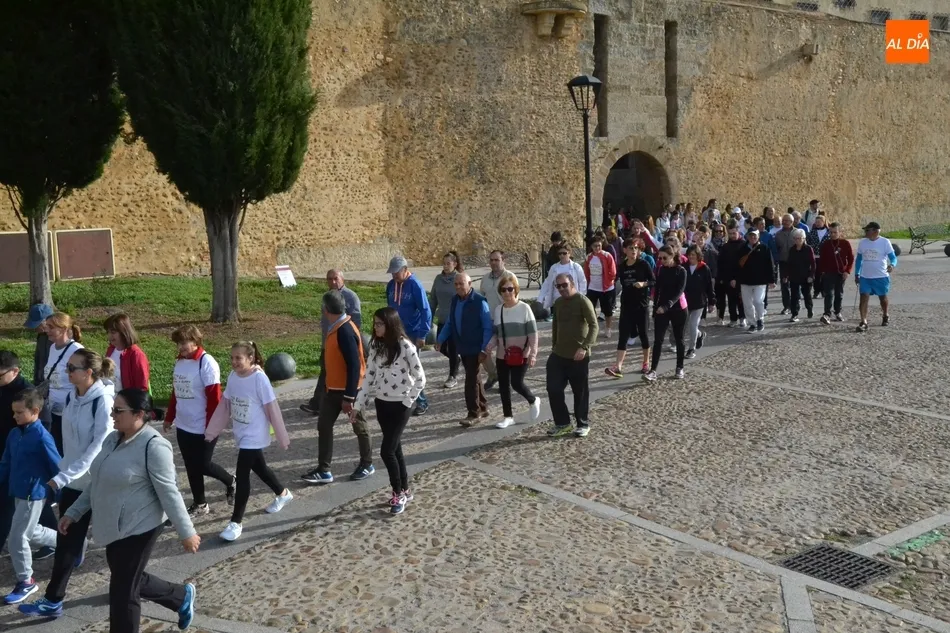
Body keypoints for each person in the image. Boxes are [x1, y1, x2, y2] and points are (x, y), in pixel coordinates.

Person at [61, 389, 199, 633]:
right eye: (113, 409)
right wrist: (74, 512)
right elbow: (97, 482)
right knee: (130, 576)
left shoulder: (154, 446)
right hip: (113, 525)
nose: (112, 414)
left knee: (123, 591)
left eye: (118, 410)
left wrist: (186, 532)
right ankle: (179, 597)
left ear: (140, 414)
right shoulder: (112, 439)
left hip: (141, 526)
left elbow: (170, 492)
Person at [19, 349, 115, 619]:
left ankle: (159, 591)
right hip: (74, 482)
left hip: (99, 482)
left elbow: (97, 448)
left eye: (72, 368)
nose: (67, 371)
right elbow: (70, 442)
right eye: (68, 367)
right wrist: (62, 469)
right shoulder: (74, 396)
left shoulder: (103, 402)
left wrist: (64, 475)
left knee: (117, 543)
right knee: (66, 540)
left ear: (89, 373)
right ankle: (52, 600)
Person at [206, 342, 292, 542]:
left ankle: (235, 523)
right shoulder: (233, 377)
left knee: (242, 473)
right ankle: (283, 492)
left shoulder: (259, 379)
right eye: (232, 358)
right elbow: (224, 406)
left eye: (239, 358)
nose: (234, 362)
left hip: (255, 434)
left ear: (250, 358)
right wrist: (212, 431)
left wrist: (282, 436)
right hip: (241, 432)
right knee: (260, 467)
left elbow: (272, 409)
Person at [352, 308, 426, 514]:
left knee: (387, 451)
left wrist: (408, 401)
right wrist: (358, 406)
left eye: (379, 324)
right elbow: (369, 378)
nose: (375, 328)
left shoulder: (405, 346)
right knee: (396, 448)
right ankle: (405, 489)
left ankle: (397, 494)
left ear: (390, 324)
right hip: (382, 403)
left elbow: (421, 378)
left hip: (401, 405)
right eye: (374, 324)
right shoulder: (376, 347)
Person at [301, 291, 373, 485]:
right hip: (332, 390)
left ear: (325, 310)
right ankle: (324, 469)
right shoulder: (338, 327)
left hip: (349, 391)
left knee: (360, 427)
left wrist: (350, 397)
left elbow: (354, 365)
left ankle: (367, 463)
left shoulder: (345, 330)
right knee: (324, 426)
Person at [163, 325, 235, 517]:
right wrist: (169, 417)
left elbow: (214, 399)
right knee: (190, 465)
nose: (180, 346)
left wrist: (212, 427)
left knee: (203, 464)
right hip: (184, 424)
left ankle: (231, 481)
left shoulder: (206, 362)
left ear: (196, 341)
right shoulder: (180, 363)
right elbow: (176, 393)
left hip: (203, 425)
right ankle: (200, 503)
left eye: (184, 342)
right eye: (178, 343)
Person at [0, 389, 60, 605]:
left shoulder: (42, 437)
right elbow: (5, 462)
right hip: (17, 491)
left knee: (17, 538)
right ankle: (71, 543)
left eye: (19, 412)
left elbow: (57, 465)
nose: (14, 416)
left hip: (33, 494)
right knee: (31, 532)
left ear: (35, 411)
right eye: (13, 412)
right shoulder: (14, 434)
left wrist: (62, 494)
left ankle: (26, 581)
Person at [0, 351, 57, 561]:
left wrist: (57, 487)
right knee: (22, 506)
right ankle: (60, 539)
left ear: (15, 371)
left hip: (25, 460)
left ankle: (61, 541)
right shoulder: (3, 389)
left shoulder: (28, 394)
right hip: (9, 451)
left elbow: (45, 425)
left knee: (20, 508)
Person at [301, 269, 362, 415]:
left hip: (343, 342)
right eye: (329, 279)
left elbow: (356, 321)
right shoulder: (327, 297)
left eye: (336, 279)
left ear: (342, 279)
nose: (333, 282)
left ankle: (349, 400)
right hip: (328, 343)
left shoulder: (351, 297)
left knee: (346, 372)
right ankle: (319, 403)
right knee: (325, 373)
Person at [486, 272, 541, 429]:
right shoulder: (499, 310)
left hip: (521, 354)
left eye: (510, 289)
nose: (507, 293)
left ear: (516, 290)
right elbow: (498, 333)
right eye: (503, 290)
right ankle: (508, 416)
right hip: (503, 354)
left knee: (516, 382)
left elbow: (533, 334)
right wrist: (490, 344)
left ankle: (532, 399)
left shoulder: (525, 308)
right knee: (503, 386)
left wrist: (533, 354)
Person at [546, 273, 598, 438]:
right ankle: (562, 423)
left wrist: (584, 347)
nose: (561, 289)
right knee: (553, 388)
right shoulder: (559, 303)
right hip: (559, 354)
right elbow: (556, 325)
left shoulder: (582, 301)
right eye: (558, 286)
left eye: (564, 285)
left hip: (578, 356)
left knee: (580, 392)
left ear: (572, 283)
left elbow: (594, 325)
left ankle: (582, 424)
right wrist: (554, 345)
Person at [437, 273, 492, 426]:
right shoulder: (455, 300)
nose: (458, 287)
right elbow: (450, 322)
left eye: (461, 284)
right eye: (456, 284)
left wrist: (484, 349)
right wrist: (440, 339)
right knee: (474, 376)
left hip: (476, 347)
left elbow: (488, 327)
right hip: (462, 345)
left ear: (470, 284)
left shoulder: (480, 302)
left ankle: (473, 413)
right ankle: (483, 407)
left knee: (470, 380)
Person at [386, 256, 432, 415]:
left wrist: (422, 334)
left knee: (413, 369)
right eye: (391, 273)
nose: (393, 276)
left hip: (412, 333)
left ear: (405, 270)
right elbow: (390, 308)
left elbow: (426, 310)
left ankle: (422, 402)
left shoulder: (415, 286)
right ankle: (399, 396)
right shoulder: (391, 285)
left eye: (396, 272)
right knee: (396, 366)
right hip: (395, 332)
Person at [606, 238, 654, 377]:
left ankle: (646, 363)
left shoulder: (643, 264)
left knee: (643, 334)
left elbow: (653, 281)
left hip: (641, 305)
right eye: (631, 248)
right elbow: (616, 281)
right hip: (626, 305)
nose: (633, 251)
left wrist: (643, 284)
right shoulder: (622, 266)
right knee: (623, 335)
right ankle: (618, 366)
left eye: (635, 248)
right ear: (625, 250)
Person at [40, 312, 84, 456]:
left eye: (51, 327)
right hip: (53, 410)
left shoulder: (77, 350)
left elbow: (83, 381)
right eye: (47, 327)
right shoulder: (52, 348)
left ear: (64, 328)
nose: (47, 330)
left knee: (67, 450)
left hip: (70, 411)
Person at [643, 246, 687, 382]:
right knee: (658, 340)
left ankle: (679, 367)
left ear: (672, 256)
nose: (661, 260)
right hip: (662, 309)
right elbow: (658, 289)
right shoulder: (661, 270)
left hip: (678, 308)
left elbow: (679, 292)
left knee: (679, 339)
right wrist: (655, 307)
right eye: (659, 258)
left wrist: (667, 305)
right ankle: (653, 370)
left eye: (664, 258)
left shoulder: (681, 271)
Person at [478, 251, 512, 390]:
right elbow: (482, 298)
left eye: (496, 260)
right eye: (491, 260)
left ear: (503, 260)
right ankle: (493, 375)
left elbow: (515, 299)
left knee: (505, 353)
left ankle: (507, 382)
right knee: (484, 350)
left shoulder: (510, 277)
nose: (493, 263)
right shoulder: (485, 278)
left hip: (506, 320)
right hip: (489, 320)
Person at [854, 222, 897, 332]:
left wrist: (892, 265)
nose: (866, 232)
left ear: (876, 231)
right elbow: (859, 259)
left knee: (883, 298)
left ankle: (885, 314)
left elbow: (893, 257)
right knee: (864, 298)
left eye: (868, 230)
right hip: (865, 276)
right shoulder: (862, 243)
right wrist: (857, 273)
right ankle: (863, 321)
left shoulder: (885, 242)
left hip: (881, 276)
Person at [430, 252, 463, 389]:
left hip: (455, 320)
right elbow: (433, 299)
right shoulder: (438, 279)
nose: (445, 266)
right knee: (441, 347)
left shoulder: (459, 278)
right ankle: (457, 360)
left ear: (455, 264)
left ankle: (452, 376)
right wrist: (430, 317)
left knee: (454, 348)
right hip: (443, 319)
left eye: (448, 263)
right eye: (443, 263)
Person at [737, 230, 777, 333]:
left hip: (760, 281)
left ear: (758, 236)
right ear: (747, 237)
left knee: (758, 301)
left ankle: (760, 319)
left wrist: (772, 280)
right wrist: (736, 279)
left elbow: (770, 264)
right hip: (745, 281)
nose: (753, 238)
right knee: (747, 304)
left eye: (754, 236)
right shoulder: (742, 249)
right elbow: (737, 265)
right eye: (751, 236)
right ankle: (752, 323)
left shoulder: (764, 248)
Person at [818, 222, 854, 324]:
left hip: (841, 273)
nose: (833, 234)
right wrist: (822, 272)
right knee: (829, 294)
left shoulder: (845, 243)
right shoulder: (825, 244)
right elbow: (822, 259)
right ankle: (827, 314)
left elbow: (851, 259)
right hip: (829, 273)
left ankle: (838, 312)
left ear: (840, 232)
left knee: (839, 294)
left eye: (835, 232)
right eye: (831, 232)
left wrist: (847, 271)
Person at [104, 313, 150, 392]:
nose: (109, 336)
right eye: (108, 332)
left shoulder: (136, 354)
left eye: (113, 332)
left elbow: (141, 385)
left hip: (127, 401)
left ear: (124, 332)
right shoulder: (111, 350)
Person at [684, 245, 715, 359]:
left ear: (698, 256)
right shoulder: (684, 267)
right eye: (690, 255)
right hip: (686, 302)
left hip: (699, 302)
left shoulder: (704, 268)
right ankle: (700, 335)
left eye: (693, 255)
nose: (691, 257)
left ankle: (691, 349)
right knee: (686, 326)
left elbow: (709, 287)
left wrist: (712, 301)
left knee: (693, 325)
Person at [583, 237, 618, 338]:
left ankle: (608, 328)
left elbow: (613, 271)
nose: (597, 247)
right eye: (595, 246)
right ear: (591, 247)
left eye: (599, 245)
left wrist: (610, 280)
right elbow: (586, 271)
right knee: (590, 309)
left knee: (607, 310)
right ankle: (594, 327)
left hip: (606, 287)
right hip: (593, 287)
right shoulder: (588, 257)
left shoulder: (607, 255)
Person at [717, 222, 747, 328]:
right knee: (731, 300)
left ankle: (743, 318)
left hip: (741, 277)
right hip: (728, 278)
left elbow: (745, 264)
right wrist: (724, 278)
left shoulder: (744, 245)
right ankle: (733, 319)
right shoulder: (725, 247)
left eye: (734, 233)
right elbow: (721, 264)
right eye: (730, 234)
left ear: (738, 232)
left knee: (741, 300)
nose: (732, 235)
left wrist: (737, 278)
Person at [539, 246, 586, 310]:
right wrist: (540, 299)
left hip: (573, 299)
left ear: (569, 253)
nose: (562, 255)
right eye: (560, 253)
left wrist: (580, 297)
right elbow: (547, 283)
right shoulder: (554, 267)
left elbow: (582, 282)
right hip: (557, 299)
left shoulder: (576, 267)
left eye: (564, 253)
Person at [786, 228, 816, 322]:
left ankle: (809, 308)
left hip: (806, 276)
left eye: (800, 238)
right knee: (794, 296)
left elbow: (813, 263)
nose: (798, 240)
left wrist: (811, 275)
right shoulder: (792, 250)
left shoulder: (808, 249)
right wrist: (786, 275)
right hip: (794, 276)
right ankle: (794, 314)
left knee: (806, 294)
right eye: (796, 238)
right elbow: (789, 263)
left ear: (804, 238)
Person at [24, 304, 54, 386]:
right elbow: (39, 360)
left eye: (37, 325)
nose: (35, 328)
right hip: (40, 382)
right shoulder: (41, 336)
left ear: (46, 321)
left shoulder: (59, 340)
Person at [774, 214, 797, 315]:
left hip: (795, 263)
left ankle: (796, 304)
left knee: (795, 284)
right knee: (784, 285)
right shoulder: (778, 234)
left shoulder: (798, 232)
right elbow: (776, 249)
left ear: (792, 222)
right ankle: (786, 306)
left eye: (787, 221)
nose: (784, 222)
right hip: (783, 263)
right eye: (783, 220)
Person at [806, 214, 831, 299]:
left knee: (824, 275)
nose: (817, 223)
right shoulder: (811, 232)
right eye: (816, 222)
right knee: (816, 275)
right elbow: (808, 243)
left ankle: (824, 291)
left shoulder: (829, 232)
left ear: (824, 222)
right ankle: (816, 291)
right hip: (815, 256)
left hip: (826, 257)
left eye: (819, 222)